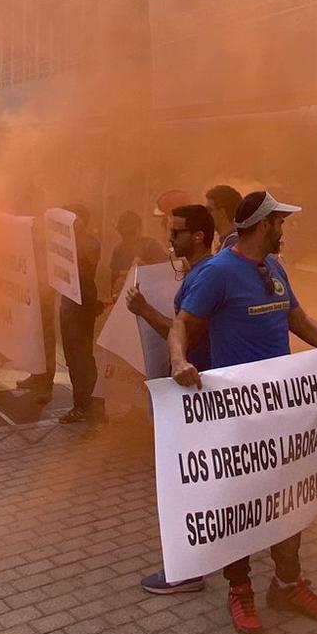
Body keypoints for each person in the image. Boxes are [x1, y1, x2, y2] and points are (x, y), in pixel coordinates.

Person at [170, 191, 317, 634]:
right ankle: (240, 591)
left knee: (287, 500)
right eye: (280, 223)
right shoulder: (219, 272)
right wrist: (179, 361)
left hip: (281, 413)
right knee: (238, 505)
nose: (284, 231)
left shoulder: (274, 269)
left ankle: (287, 584)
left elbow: (298, 320)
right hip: (237, 414)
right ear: (263, 226)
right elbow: (181, 323)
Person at [129, 203, 216, 595]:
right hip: (199, 390)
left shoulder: (204, 278)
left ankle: (186, 568)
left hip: (193, 392)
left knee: (185, 481)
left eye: (177, 231)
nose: (170, 237)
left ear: (198, 236)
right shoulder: (200, 273)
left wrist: (144, 309)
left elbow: (185, 334)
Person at [56, 205, 104, 424]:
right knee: (73, 357)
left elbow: (86, 272)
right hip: (68, 306)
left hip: (81, 306)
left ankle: (86, 405)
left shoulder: (89, 242)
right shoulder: (64, 241)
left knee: (81, 356)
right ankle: (84, 403)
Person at [105, 210, 167, 298]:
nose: (127, 235)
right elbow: (114, 277)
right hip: (124, 296)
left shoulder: (151, 246)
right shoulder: (118, 250)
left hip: (147, 297)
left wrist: (144, 267)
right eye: (123, 232)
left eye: (131, 231)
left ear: (139, 228)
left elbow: (165, 272)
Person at [205, 184, 243, 253]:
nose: (205, 215)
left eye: (209, 210)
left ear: (222, 213)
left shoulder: (233, 244)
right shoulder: (231, 241)